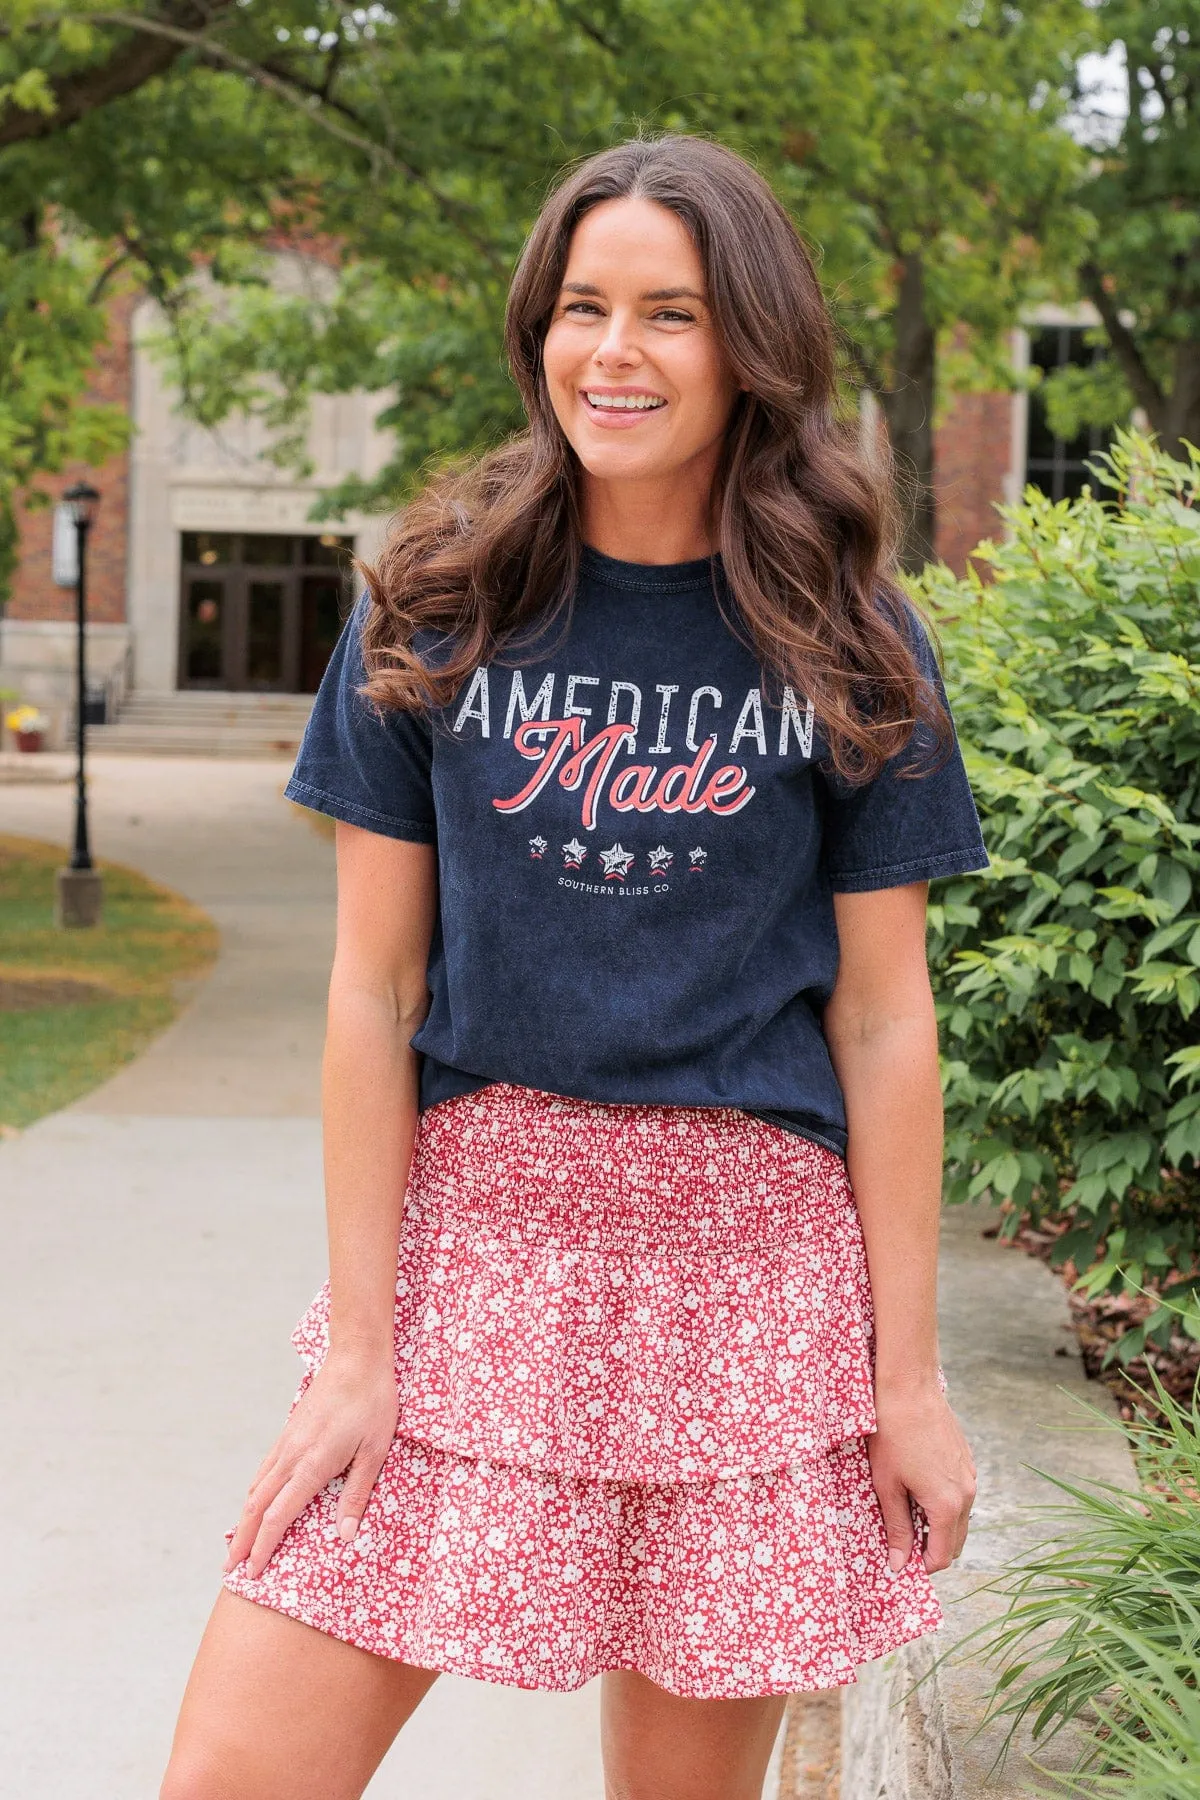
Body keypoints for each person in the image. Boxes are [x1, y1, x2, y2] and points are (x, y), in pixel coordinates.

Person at [161, 133, 984, 1800]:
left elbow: (886, 1019)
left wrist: (911, 1383)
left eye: (669, 313)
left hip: (747, 1295)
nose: (615, 353)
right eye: (583, 308)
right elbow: (373, 996)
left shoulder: (849, 630)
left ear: (750, 344)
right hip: (476, 1256)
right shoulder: (436, 601)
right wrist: (360, 1350)